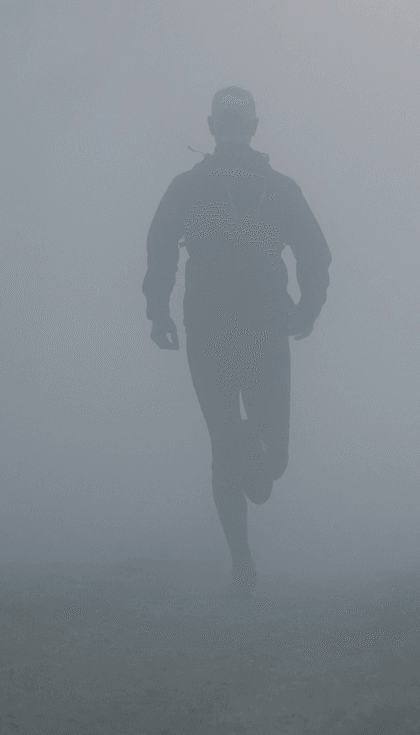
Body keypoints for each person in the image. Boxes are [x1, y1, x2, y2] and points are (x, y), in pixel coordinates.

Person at [144, 86, 330, 594]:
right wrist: (307, 307)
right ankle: (242, 564)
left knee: (238, 451)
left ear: (218, 126)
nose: (229, 131)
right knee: (255, 456)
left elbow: (161, 247)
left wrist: (159, 311)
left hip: (217, 323)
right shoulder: (278, 187)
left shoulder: (191, 185)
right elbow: (314, 252)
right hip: (258, 324)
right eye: (229, 124)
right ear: (250, 125)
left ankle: (241, 556)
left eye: (231, 124)